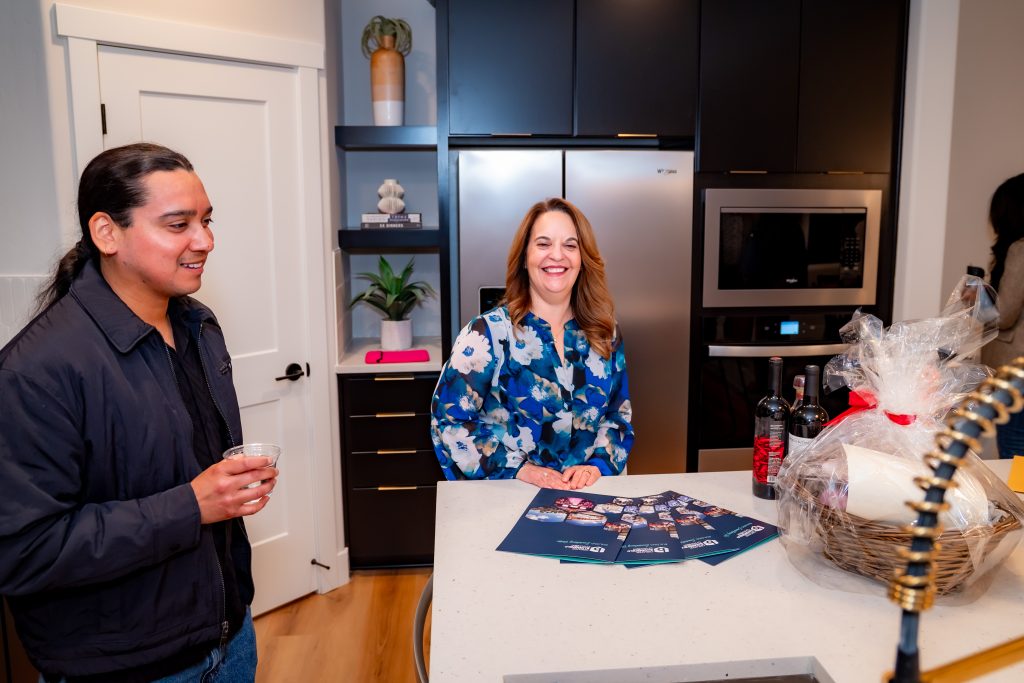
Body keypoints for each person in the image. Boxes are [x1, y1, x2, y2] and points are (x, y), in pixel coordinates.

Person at [0, 143, 278, 682]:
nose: (205, 241)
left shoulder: (198, 326)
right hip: (124, 667)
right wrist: (192, 505)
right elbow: (25, 551)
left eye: (206, 220)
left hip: (230, 640)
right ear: (106, 233)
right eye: (178, 224)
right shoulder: (34, 371)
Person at [431, 197, 633, 490]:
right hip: (509, 501)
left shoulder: (604, 332)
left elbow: (618, 415)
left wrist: (597, 465)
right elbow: (448, 423)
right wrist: (520, 470)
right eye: (543, 244)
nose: (557, 255)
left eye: (570, 245)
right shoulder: (486, 334)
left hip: (588, 500)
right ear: (525, 258)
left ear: (582, 259)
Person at [981, 172, 1024, 458]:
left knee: (1015, 445)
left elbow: (1004, 315)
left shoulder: (1021, 249)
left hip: (1016, 369)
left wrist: (979, 299)